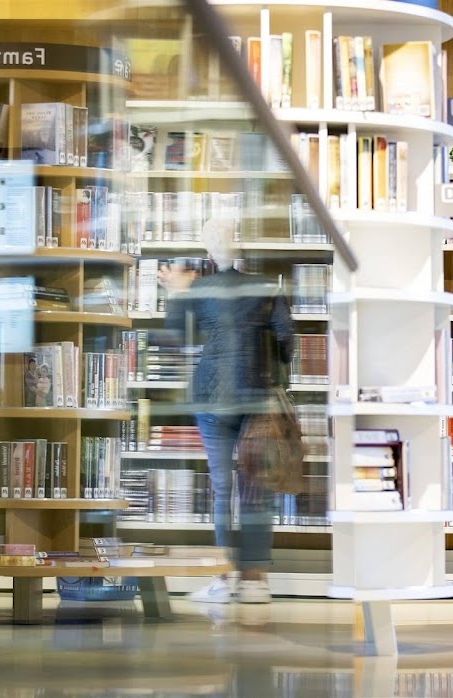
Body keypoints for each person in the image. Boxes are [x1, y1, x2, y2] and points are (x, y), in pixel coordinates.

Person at [160, 218, 294, 605]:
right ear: (239, 248)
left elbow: (178, 335)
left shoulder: (200, 287)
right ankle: (256, 582)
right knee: (257, 490)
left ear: (207, 254)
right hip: (256, 397)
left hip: (211, 399)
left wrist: (176, 292)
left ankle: (223, 579)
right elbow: (286, 340)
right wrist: (275, 377)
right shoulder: (267, 287)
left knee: (222, 490)